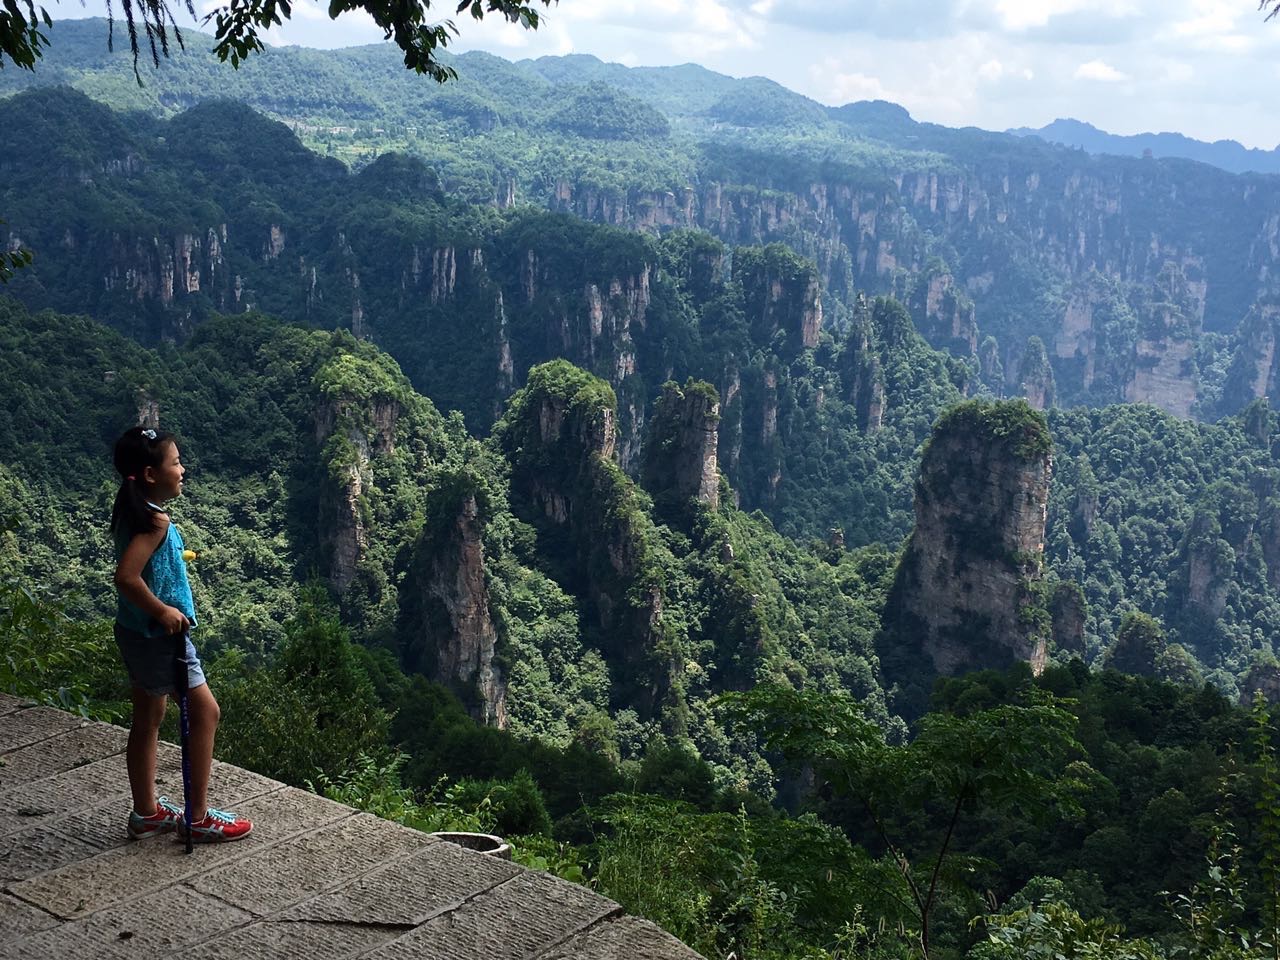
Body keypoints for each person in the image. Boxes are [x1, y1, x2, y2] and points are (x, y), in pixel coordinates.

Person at [110, 426, 253, 843]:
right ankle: (199, 815)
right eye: (175, 462)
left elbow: (140, 567)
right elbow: (127, 577)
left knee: (148, 719)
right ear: (151, 474)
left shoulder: (132, 511)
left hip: (134, 632)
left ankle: (147, 813)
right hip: (160, 636)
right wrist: (164, 610)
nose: (183, 468)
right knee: (206, 713)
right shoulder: (154, 520)